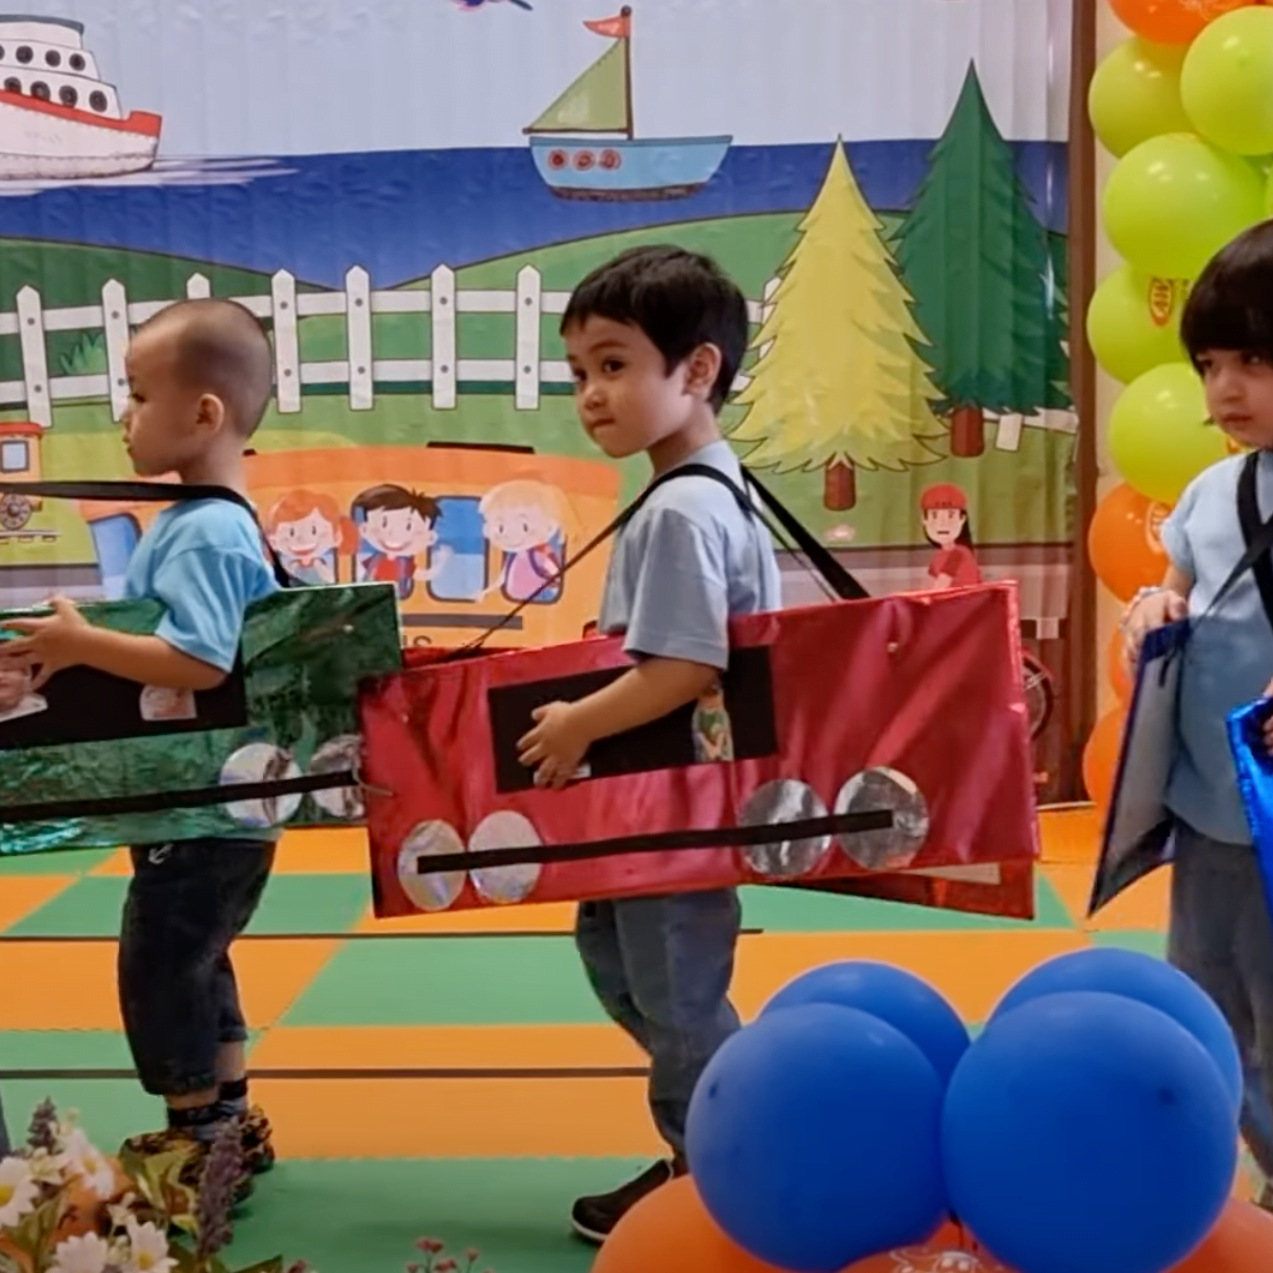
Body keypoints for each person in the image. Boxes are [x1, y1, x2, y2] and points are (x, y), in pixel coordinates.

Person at [516, 245, 782, 1242]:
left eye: (614, 364)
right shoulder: (701, 488)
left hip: (668, 807)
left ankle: (722, 1169)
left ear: (697, 369)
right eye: (579, 370)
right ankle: (708, 1145)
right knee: (629, 967)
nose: (590, 393)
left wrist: (577, 722)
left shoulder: (680, 507)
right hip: (655, 803)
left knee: (675, 991)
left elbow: (683, 667)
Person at [0, 298, 282, 1197]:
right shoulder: (207, 517)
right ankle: (229, 1117)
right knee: (201, 956)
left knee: (161, 961)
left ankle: (197, 1135)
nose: (122, 415)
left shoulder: (205, 528)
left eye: (135, 394)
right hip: (204, 799)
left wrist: (85, 645)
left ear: (203, 413)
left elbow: (201, 659)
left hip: (202, 803)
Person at [1122, 219, 1273, 1212]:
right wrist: (1149, 613)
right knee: (1205, 1008)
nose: (1225, 389)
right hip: (1208, 815)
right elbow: (1167, 600)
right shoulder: (1212, 491)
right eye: (1210, 365)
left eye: (1254, 361)